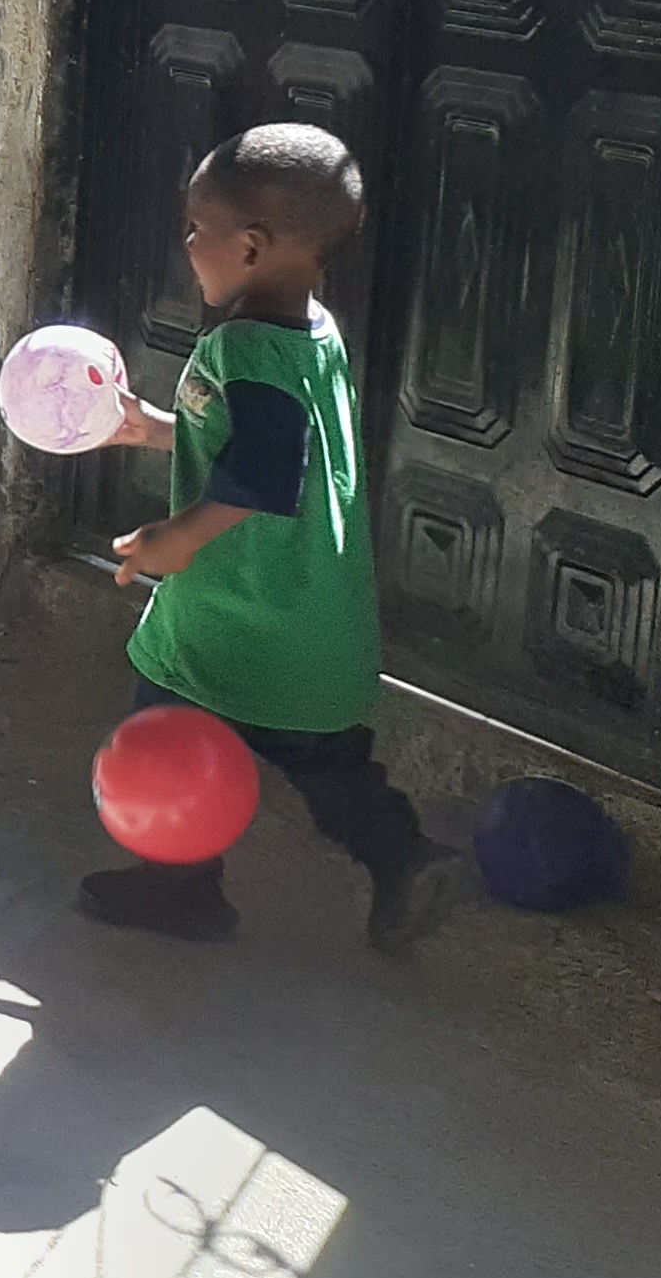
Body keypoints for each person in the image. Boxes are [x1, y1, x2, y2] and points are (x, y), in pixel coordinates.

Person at [88, 121, 461, 951]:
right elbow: (256, 440)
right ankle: (404, 858)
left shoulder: (246, 347)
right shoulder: (312, 332)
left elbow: (260, 473)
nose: (188, 244)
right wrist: (151, 428)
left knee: (167, 742)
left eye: (198, 228)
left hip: (232, 614)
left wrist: (178, 538)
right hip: (311, 621)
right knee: (331, 773)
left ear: (251, 247)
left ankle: (179, 890)